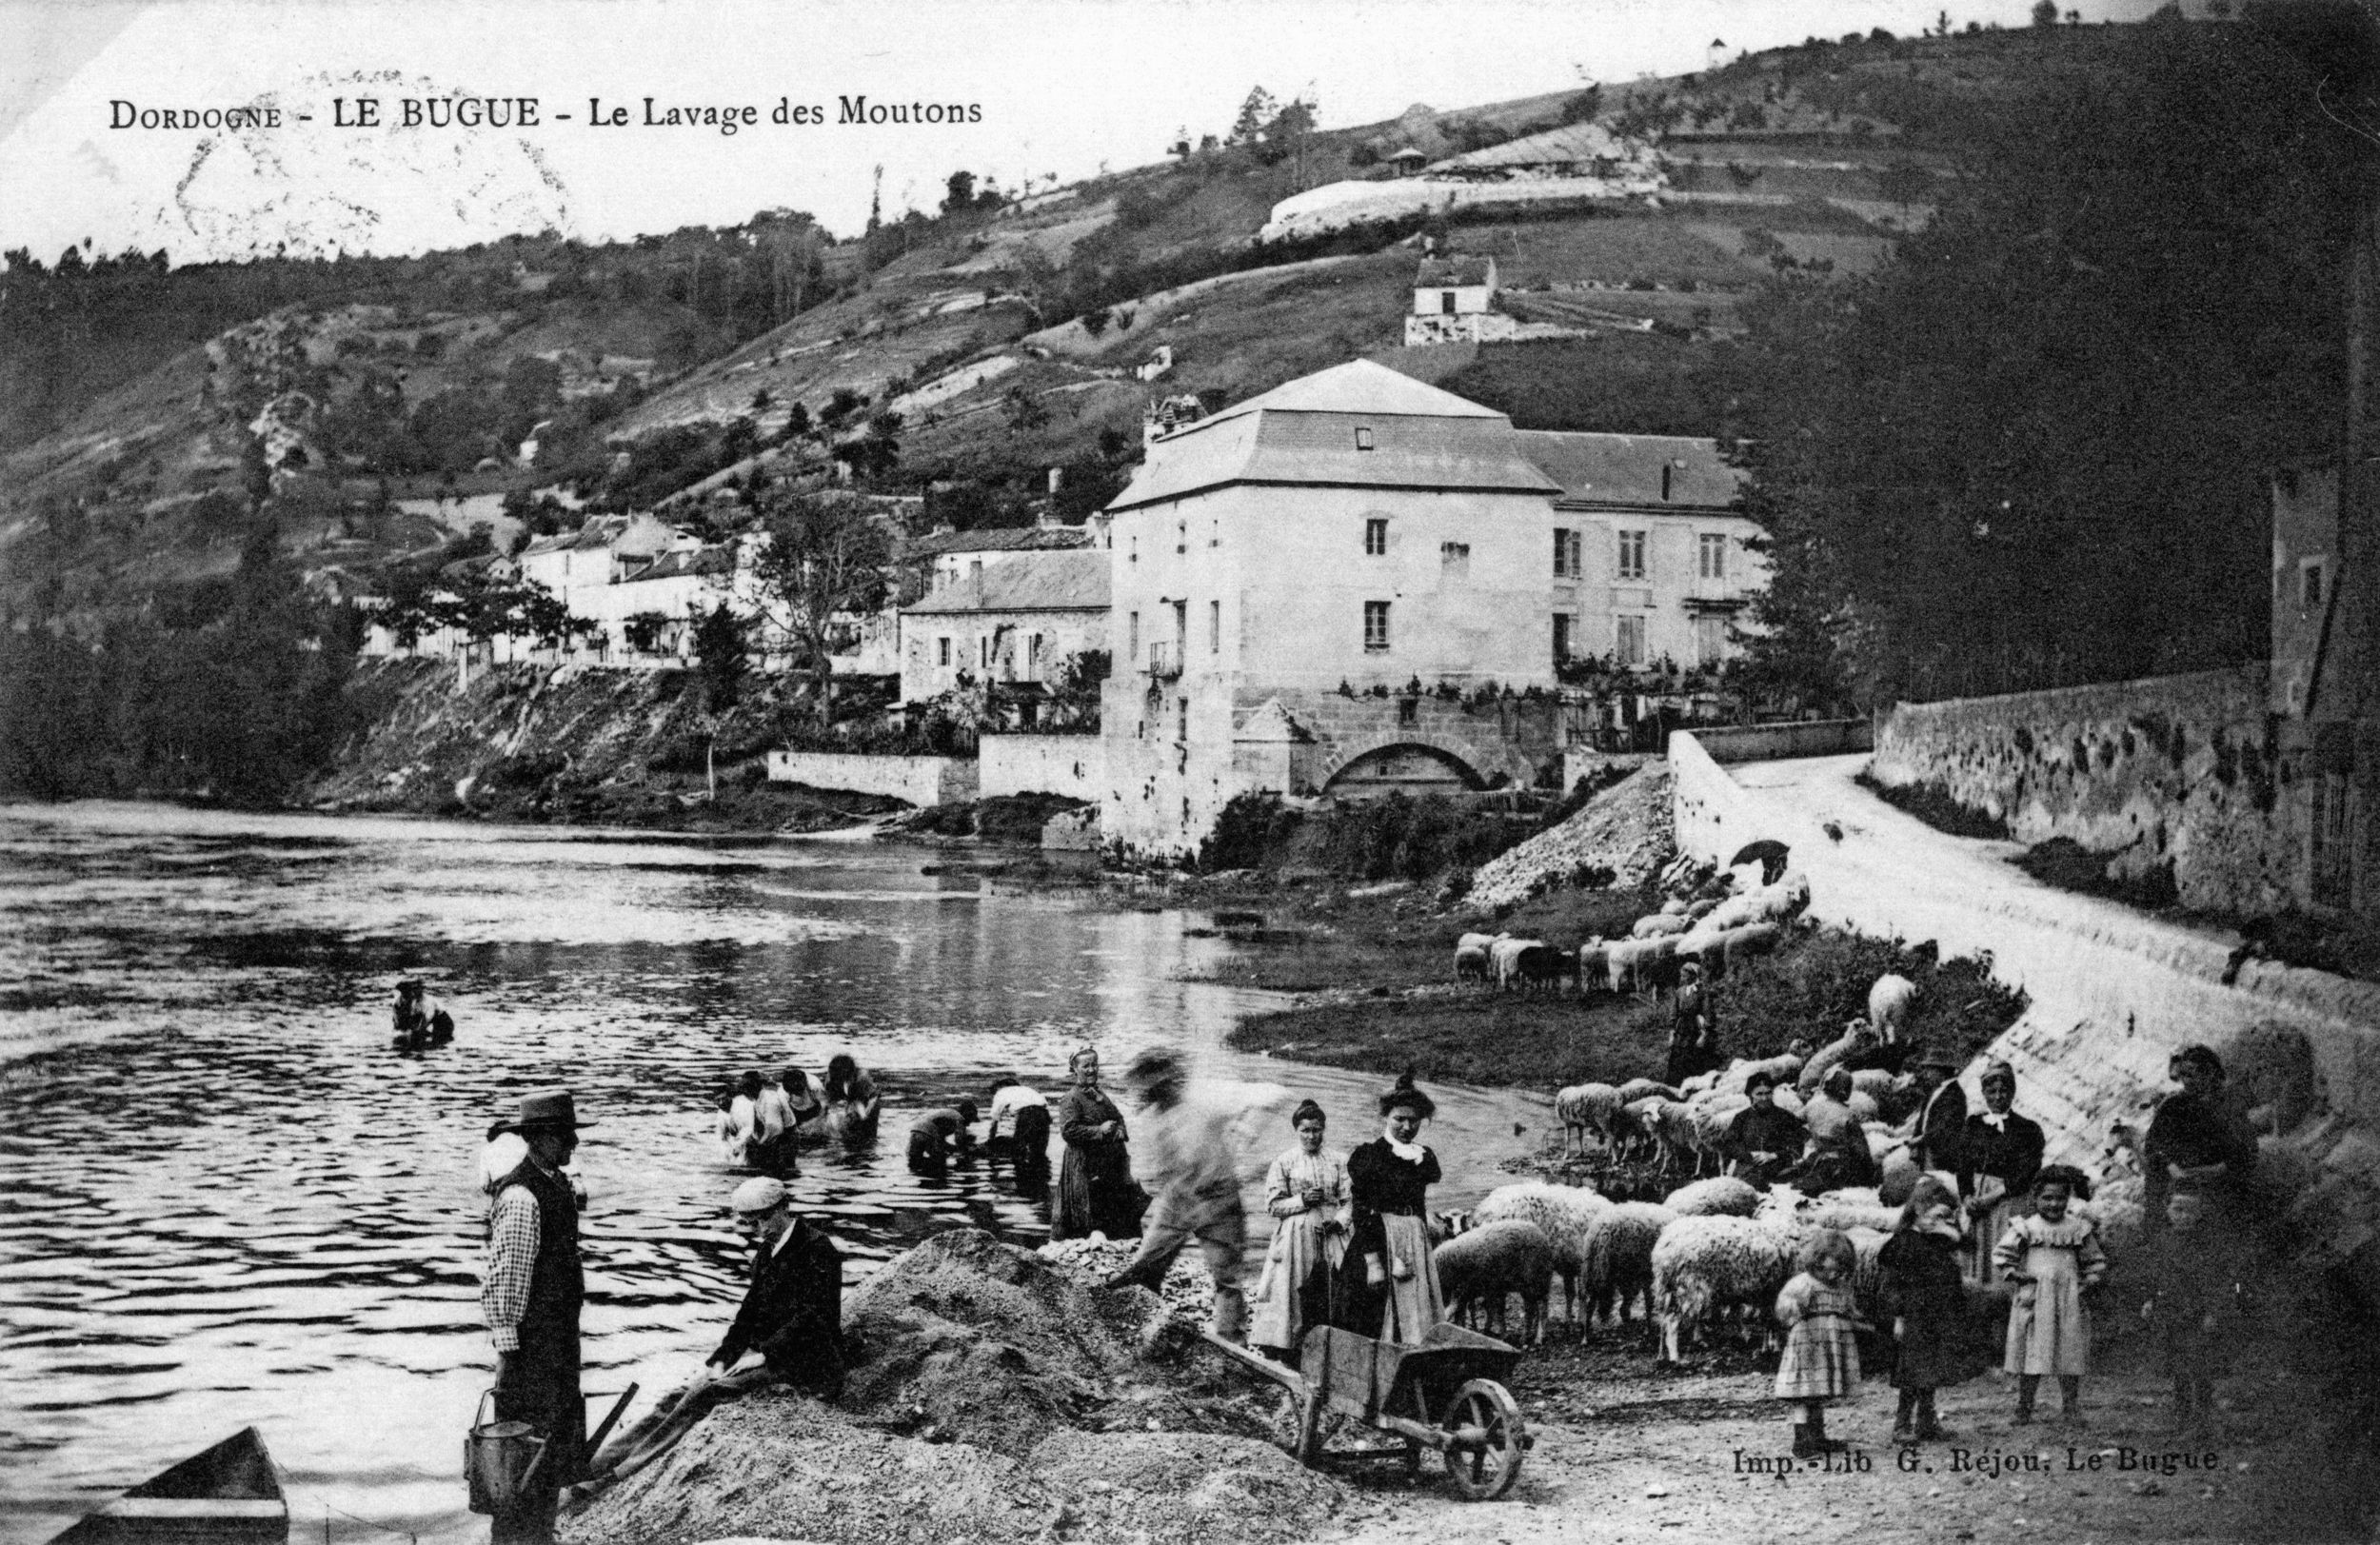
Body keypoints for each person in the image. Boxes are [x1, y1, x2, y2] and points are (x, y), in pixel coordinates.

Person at [585, 1178, 844, 1486]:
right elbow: (748, 1315)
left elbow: (815, 1318)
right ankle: (595, 1464)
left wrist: (762, 1355)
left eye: (764, 1219)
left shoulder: (817, 1249)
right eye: (751, 1224)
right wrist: (722, 1358)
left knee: (706, 1393)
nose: (761, 1229)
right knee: (677, 1396)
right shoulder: (766, 1255)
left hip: (807, 1360)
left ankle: (618, 1474)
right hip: (770, 1355)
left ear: (784, 1207)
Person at [481, 1090, 594, 1545]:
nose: (573, 1145)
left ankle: (540, 1534)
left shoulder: (555, 1183)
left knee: (553, 1447)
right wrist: (508, 1350)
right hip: (529, 1349)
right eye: (565, 1136)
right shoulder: (523, 1196)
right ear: (540, 1138)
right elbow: (507, 1276)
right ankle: (514, 1538)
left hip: (557, 1340)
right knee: (521, 1454)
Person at [1103, 1047, 1251, 1340]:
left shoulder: (1204, 1103)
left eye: (1156, 1085)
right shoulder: (1155, 1117)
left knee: (1227, 1279)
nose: (1149, 1093)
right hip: (1178, 1198)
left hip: (1217, 1199)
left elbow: (1263, 1100)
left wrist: (1245, 1144)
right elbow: (1154, 1171)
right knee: (1147, 1263)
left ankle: (1232, 1343)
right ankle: (1137, 1319)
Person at [1993, 1164, 2108, 1426]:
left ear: (2068, 1198)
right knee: (2032, 1350)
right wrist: (2015, 1274)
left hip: (2069, 1298)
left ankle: (2070, 1407)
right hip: (2036, 1297)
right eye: (2047, 1198)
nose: (2054, 1204)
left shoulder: (2078, 1228)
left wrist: (2089, 1280)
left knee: (2069, 1351)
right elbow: (2003, 1253)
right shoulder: (2027, 1227)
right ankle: (2024, 1406)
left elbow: (2094, 1260)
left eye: (2060, 1198)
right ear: (2035, 1198)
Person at [1339, 1072, 1445, 1345]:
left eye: (1414, 1120)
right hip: (1378, 1240)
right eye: (1400, 1119)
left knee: (1417, 1303)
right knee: (1375, 1306)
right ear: (1386, 1116)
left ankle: (1412, 1359)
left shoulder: (1423, 1157)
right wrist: (1373, 1263)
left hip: (1414, 1239)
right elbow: (1361, 1210)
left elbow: (1419, 1205)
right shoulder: (1369, 1156)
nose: (1407, 1127)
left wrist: (1424, 1247)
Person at [1249, 1099, 1350, 1363]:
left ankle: (1334, 1343)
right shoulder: (1284, 1161)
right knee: (1294, 1286)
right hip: (1296, 1234)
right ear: (1296, 1131)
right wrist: (1301, 1201)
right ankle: (1289, 1345)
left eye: (1316, 1130)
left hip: (1332, 1232)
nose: (1311, 1136)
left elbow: (1351, 1201)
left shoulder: (1339, 1160)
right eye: (1305, 1130)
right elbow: (1272, 1206)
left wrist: (1340, 1220)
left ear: (1323, 1130)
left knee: (1337, 1282)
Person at [1878, 1177, 1976, 1443]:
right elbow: (1893, 1284)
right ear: (1918, 1211)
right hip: (1914, 1317)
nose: (1940, 1222)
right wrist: (1898, 1317)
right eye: (1936, 1216)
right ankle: (1901, 1425)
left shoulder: (1939, 1240)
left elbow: (1971, 1247)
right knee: (1911, 1372)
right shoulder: (1903, 1243)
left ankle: (1926, 1423)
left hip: (1939, 1316)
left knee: (1931, 1370)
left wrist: (1953, 1233)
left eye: (1947, 1216)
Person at [2141, 1189, 2241, 1437]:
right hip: (2171, 1312)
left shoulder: (2209, 1246)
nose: (2183, 1216)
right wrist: (2149, 1300)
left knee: (2200, 1365)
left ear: (2200, 1214)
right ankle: (2183, 1417)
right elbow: (2154, 1274)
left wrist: (2213, 1312)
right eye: (2178, 1210)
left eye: (2190, 1211)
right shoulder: (2162, 1241)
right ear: (2167, 1211)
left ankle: (2204, 1417)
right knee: (2178, 1367)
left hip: (2197, 1313)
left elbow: (2220, 1282)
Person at [2142, 1044, 2258, 1242]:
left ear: (2210, 1074)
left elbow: (2246, 1152)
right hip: (2179, 1176)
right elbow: (2153, 1144)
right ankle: (2154, 1229)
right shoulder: (2174, 1105)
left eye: (2191, 1075)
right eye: (2183, 1075)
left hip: (2218, 1177)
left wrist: (2212, 1171)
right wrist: (2172, 1167)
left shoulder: (2229, 1105)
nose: (2186, 1081)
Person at [1774, 1230, 1868, 1459]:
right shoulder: (1804, 1284)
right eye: (1829, 1268)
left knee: (1817, 1392)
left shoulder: (1840, 1287)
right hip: (1808, 1345)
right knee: (1803, 1392)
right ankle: (1801, 1441)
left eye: (1839, 1270)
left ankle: (1818, 1437)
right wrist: (1795, 1309)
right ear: (1816, 1261)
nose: (1834, 1274)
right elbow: (1785, 1310)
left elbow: (1847, 1309)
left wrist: (1857, 1321)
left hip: (1828, 1347)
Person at [1958, 1061, 2044, 1285]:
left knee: (2001, 1257)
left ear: (2013, 1092)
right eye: (1992, 1091)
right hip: (1976, 1204)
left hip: (2006, 1202)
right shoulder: (1973, 1124)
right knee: (1973, 1258)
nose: (1998, 1097)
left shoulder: (2028, 1130)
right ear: (1983, 1093)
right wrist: (1966, 1196)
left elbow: (2028, 1173)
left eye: (2004, 1091)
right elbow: (1964, 1165)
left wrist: (1992, 1196)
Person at [1053, 1046, 1140, 1240]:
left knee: (1118, 1207)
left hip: (1111, 1162)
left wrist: (1120, 1130)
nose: (1091, 1070)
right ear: (1075, 1069)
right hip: (1085, 1164)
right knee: (1089, 1210)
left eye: (1094, 1065)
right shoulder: (1071, 1098)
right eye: (1085, 1066)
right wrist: (1099, 1130)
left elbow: (1118, 1117)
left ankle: (1119, 1241)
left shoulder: (1101, 1095)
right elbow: (1068, 1131)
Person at [1793, 1068, 1878, 1193]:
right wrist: (1870, 1175)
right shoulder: (1847, 1114)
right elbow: (1861, 1151)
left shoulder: (1812, 1105)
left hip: (1817, 1159)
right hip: (1840, 1165)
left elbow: (1792, 1122)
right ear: (1846, 1090)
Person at [1725, 1071, 1804, 1189]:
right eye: (1759, 1094)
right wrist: (1749, 1155)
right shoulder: (1741, 1118)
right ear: (1750, 1094)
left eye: (1768, 1093)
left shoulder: (1785, 1116)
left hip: (1779, 1170)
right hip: (1747, 1169)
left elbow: (1798, 1145)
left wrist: (1774, 1155)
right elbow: (1730, 1145)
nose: (1764, 1098)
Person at [1905, 1051, 1967, 1177]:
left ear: (1941, 1071)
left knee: (1937, 1183)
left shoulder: (1955, 1095)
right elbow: (1922, 1119)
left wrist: (1920, 1139)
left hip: (1941, 1153)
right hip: (1927, 1149)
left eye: (1930, 1070)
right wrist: (1915, 1140)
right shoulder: (1934, 1091)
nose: (1927, 1075)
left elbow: (1945, 1127)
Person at [1664, 962, 1721, 1086]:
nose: (1682, 979)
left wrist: (1704, 1035)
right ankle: (1676, 1086)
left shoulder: (1702, 992)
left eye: (1685, 976)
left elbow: (1708, 1013)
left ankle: (1695, 1086)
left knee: (1696, 1057)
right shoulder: (1679, 992)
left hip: (1696, 1028)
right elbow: (1673, 1013)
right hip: (1682, 1028)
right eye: (1681, 976)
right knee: (1678, 1057)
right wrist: (1672, 1033)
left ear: (1694, 976)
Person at [986, 1074, 1052, 1166]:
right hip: (1045, 1115)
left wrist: (990, 1142)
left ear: (999, 1087)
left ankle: (1021, 1177)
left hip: (1027, 1115)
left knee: (1019, 1152)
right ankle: (1042, 1177)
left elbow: (994, 1122)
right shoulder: (1027, 1090)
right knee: (1039, 1153)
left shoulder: (1001, 1092)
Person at [903, 1100, 980, 1177]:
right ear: (967, 1114)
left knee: (914, 1161)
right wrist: (969, 1150)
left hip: (915, 1131)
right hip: (928, 1133)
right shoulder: (960, 1118)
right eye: (971, 1120)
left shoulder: (948, 1115)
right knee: (940, 1161)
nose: (969, 1125)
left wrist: (953, 1149)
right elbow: (959, 1140)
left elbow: (941, 1142)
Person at [823, 1054, 882, 1143]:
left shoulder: (862, 1078)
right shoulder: (831, 1078)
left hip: (867, 1100)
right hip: (852, 1100)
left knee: (867, 1133)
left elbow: (872, 1099)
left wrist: (865, 1115)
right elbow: (829, 1101)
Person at [752, 1070, 796, 1176]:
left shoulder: (769, 1100)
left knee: (783, 1171)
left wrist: (760, 1145)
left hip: (786, 1136)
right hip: (774, 1135)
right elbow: (758, 1126)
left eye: (750, 1086)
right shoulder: (757, 1100)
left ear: (760, 1086)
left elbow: (776, 1129)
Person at [392, 980, 454, 1047]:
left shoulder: (428, 1001)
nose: (415, 991)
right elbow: (411, 1016)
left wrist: (418, 1031)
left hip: (443, 1021)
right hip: (427, 1019)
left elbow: (427, 1018)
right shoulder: (411, 1001)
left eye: (417, 989)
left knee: (438, 1041)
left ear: (422, 989)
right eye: (413, 989)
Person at [781, 1067, 827, 1141]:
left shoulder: (815, 1085)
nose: (799, 1095)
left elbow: (826, 1107)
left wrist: (813, 1122)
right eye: (795, 1093)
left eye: (800, 1092)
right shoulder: (782, 1094)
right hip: (796, 1116)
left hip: (815, 1112)